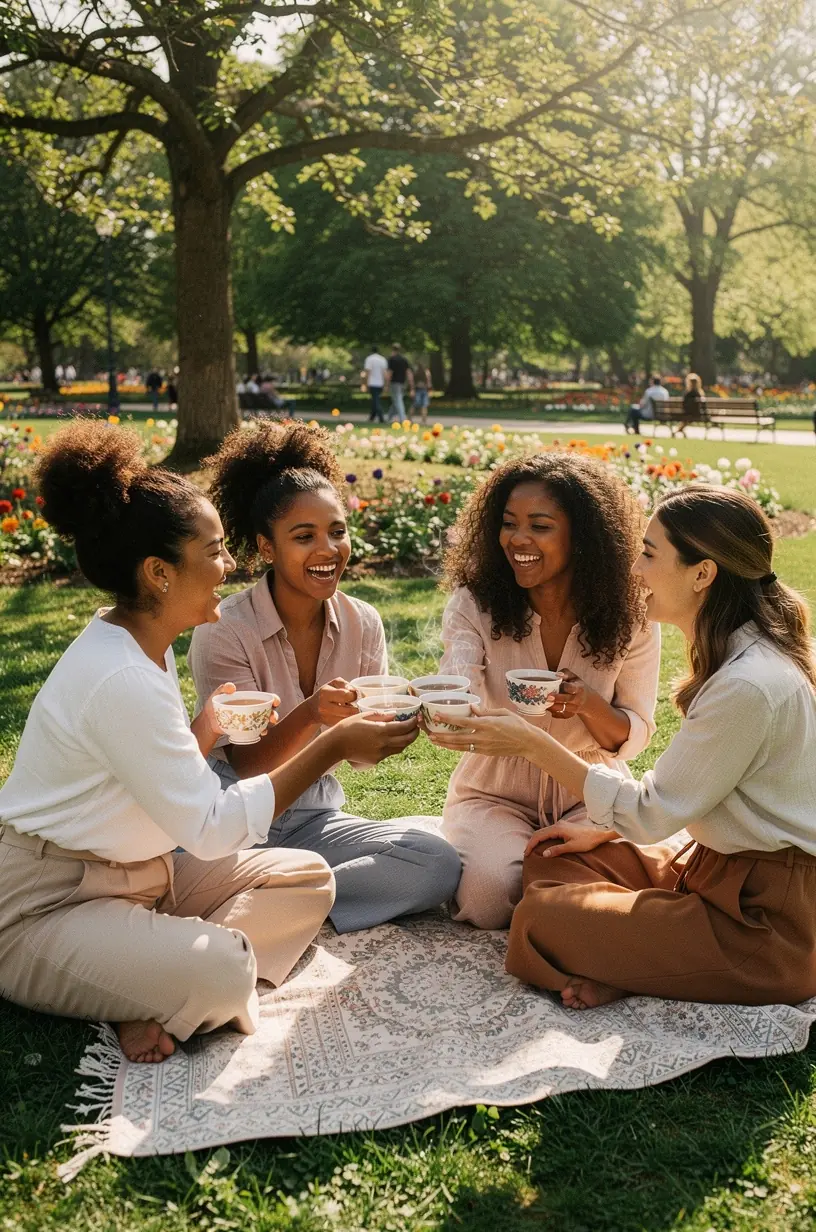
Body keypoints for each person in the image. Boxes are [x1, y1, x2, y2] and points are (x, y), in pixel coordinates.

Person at [0, 424, 422, 1065]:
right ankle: (156, 979)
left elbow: (154, 775)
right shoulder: (119, 674)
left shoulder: (140, 640)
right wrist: (330, 742)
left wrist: (205, 728)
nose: (229, 567)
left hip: (147, 876)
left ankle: (149, 970)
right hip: (47, 903)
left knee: (307, 878)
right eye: (215, 551)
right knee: (224, 971)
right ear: (159, 573)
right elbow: (209, 826)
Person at [434, 486, 816, 1009]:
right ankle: (641, 958)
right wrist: (604, 828)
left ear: (702, 574)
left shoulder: (747, 684)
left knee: (541, 919)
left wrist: (534, 743)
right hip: (710, 871)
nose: (634, 569)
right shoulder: (738, 658)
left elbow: (649, 814)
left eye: (649, 555)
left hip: (761, 922)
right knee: (549, 858)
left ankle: (638, 962)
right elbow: (664, 803)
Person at [189, 421, 462, 933]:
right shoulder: (225, 631)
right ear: (266, 548)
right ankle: (274, 888)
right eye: (304, 536)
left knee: (436, 863)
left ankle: (278, 894)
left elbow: (358, 754)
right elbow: (249, 766)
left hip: (315, 821)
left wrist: (393, 730)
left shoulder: (363, 621)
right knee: (186, 865)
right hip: (234, 819)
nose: (328, 549)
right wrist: (315, 713)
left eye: (337, 531)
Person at [435, 452, 661, 929]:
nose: (518, 539)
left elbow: (637, 732)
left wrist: (590, 706)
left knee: (613, 882)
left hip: (590, 789)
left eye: (540, 526)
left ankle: (555, 900)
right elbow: (460, 682)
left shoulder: (631, 613)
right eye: (509, 523)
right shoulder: (475, 602)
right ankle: (545, 896)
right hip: (494, 792)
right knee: (490, 894)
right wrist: (453, 706)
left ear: (582, 539)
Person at [363, 347, 388, 423]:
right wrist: (386, 384)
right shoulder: (382, 359)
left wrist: (365, 383)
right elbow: (385, 373)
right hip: (380, 383)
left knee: (376, 401)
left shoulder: (369, 359)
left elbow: (367, 372)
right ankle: (372, 418)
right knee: (375, 400)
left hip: (372, 383)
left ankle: (381, 418)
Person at [387, 344, 411, 422]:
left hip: (394, 382)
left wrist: (386, 384)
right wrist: (410, 384)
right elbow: (408, 372)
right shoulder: (404, 360)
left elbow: (390, 372)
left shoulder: (392, 359)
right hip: (403, 382)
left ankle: (403, 418)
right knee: (396, 400)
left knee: (397, 400)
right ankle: (389, 418)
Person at [678, 371, 706, 437]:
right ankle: (679, 430)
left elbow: (684, 404)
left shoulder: (688, 393)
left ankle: (678, 430)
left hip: (688, 413)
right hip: (697, 414)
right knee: (687, 416)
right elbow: (703, 405)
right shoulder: (699, 393)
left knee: (686, 417)